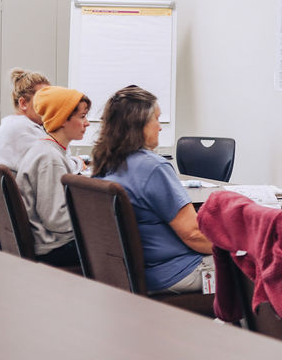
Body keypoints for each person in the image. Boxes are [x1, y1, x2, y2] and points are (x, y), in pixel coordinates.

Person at [92, 86, 214, 293]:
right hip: (178, 272)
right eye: (156, 119)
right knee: (260, 262)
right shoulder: (154, 167)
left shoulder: (105, 164)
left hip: (131, 274)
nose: (159, 127)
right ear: (139, 125)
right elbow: (193, 235)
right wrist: (238, 247)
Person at [14, 86, 91, 266]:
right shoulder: (50, 158)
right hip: (52, 247)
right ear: (63, 119)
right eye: (82, 116)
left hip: (46, 241)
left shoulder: (46, 149)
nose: (87, 123)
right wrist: (95, 217)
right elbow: (57, 220)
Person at [0, 69, 59, 237]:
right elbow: (57, 164)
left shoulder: (12, 126)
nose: (49, 106)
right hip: (7, 230)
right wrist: (78, 162)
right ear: (23, 103)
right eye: (42, 100)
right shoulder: (24, 131)